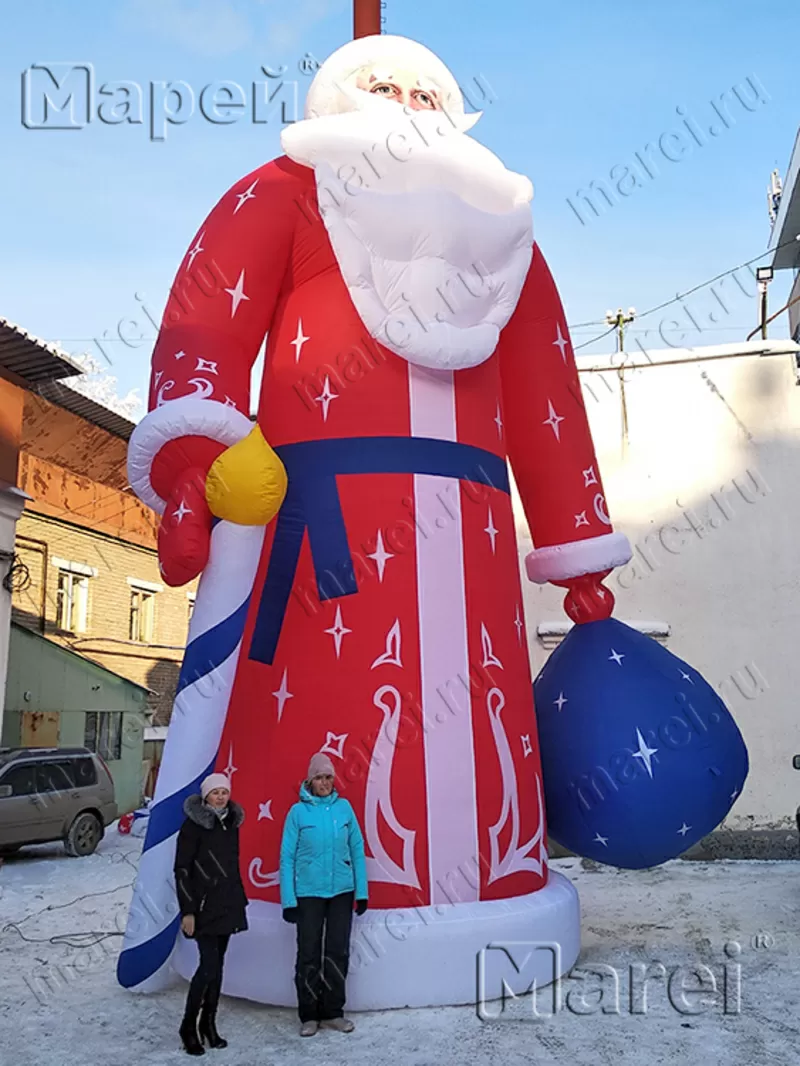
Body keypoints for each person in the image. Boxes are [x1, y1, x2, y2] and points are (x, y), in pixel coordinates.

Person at [280, 752, 368, 1036]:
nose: (325, 782)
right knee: (308, 953)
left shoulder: (344, 809)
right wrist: (289, 900)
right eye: (319, 777)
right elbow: (286, 858)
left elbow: (357, 849)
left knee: (336, 952)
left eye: (328, 777)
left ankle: (332, 1012)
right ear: (310, 780)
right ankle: (309, 1015)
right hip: (308, 894)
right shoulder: (297, 813)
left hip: (341, 892)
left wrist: (362, 892)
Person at [174, 773, 247, 1056]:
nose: (220, 797)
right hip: (202, 907)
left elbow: (232, 863)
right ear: (205, 796)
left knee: (218, 968)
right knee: (208, 967)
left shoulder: (231, 824)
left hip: (227, 904)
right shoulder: (193, 827)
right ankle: (188, 1026)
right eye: (215, 793)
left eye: (224, 792)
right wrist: (188, 910)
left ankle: (209, 1024)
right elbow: (182, 870)